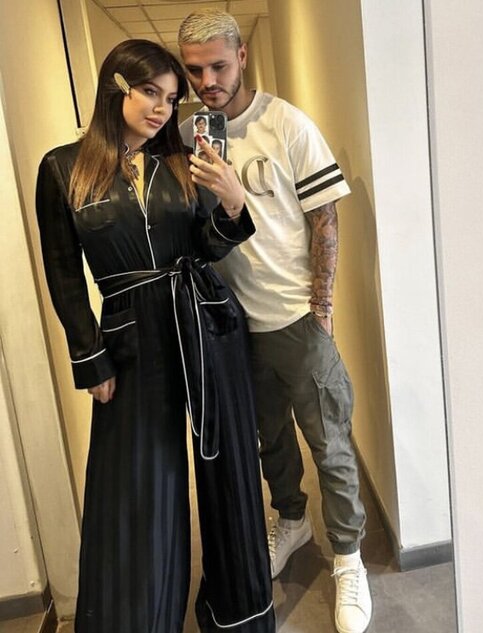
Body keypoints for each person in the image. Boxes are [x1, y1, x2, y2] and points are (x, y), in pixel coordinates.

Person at [35, 39, 275, 633]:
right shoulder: (63, 169)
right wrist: (90, 358)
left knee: (228, 467)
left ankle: (237, 613)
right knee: (138, 483)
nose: (163, 108)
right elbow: (63, 272)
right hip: (130, 339)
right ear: (114, 87)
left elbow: (207, 247)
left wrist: (232, 204)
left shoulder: (181, 163)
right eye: (149, 92)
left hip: (204, 324)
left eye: (170, 98)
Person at [178, 10, 372, 633]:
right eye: (195, 70)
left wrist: (322, 309)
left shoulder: (286, 124)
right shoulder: (187, 136)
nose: (207, 81)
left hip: (295, 317)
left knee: (331, 444)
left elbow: (325, 219)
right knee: (270, 440)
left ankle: (348, 557)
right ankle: (291, 520)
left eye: (218, 66)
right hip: (235, 325)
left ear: (240, 57)